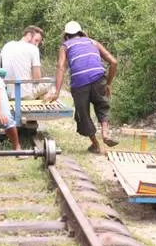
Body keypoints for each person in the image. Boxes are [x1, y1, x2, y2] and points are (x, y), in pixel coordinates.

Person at [46, 21, 118, 153]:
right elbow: (113, 62)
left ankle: (96, 145)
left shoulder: (65, 46)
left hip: (79, 83)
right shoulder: (93, 42)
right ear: (81, 32)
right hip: (98, 78)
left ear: (66, 35)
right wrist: (108, 83)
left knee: (83, 114)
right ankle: (106, 134)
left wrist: (57, 92)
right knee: (102, 105)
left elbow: (61, 67)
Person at [1, 26, 47, 99]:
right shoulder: (33, 49)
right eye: (36, 40)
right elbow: (37, 79)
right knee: (49, 83)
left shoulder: (7, 45)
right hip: (25, 95)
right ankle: (38, 107)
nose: (37, 45)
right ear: (29, 35)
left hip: (8, 94)